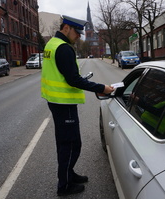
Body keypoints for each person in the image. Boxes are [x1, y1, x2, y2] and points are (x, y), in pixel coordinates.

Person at [41, 15, 114, 196]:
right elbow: (73, 79)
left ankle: (69, 174)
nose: (79, 37)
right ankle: (64, 185)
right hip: (64, 103)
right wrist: (101, 88)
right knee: (72, 144)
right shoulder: (64, 48)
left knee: (65, 143)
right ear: (66, 28)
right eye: (77, 32)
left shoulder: (51, 44)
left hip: (56, 102)